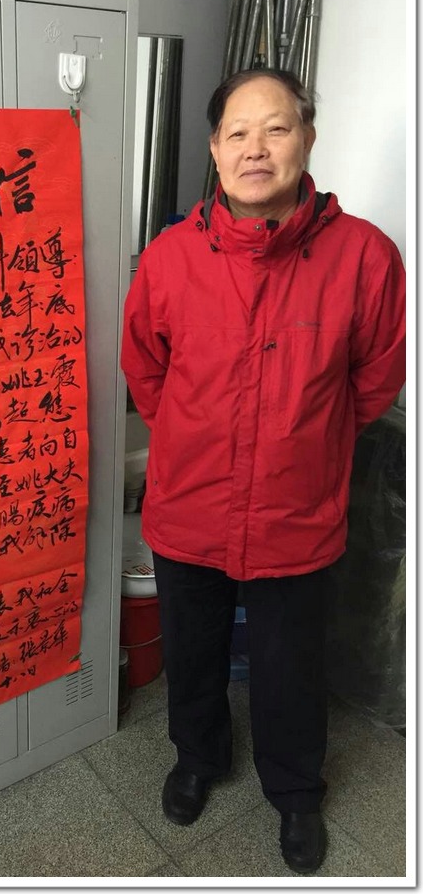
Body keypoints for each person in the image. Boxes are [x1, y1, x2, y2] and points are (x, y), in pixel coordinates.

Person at [120, 68, 406, 875]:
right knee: (194, 651)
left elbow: (375, 379)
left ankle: (295, 789)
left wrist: (308, 441)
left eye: (276, 129)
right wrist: (193, 438)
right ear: (214, 150)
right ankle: (197, 758)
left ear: (306, 139)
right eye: (238, 133)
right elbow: (145, 369)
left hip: (297, 511)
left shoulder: (365, 257)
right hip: (190, 505)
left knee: (291, 665)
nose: (257, 148)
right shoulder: (170, 257)